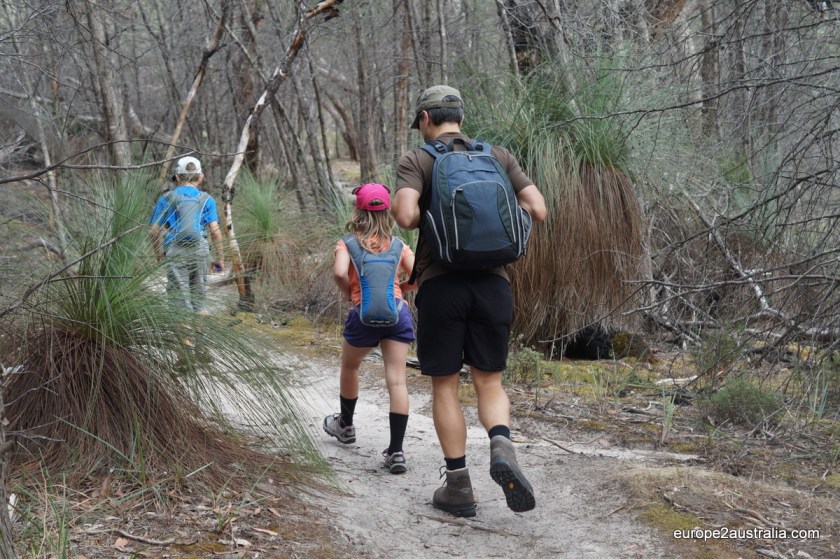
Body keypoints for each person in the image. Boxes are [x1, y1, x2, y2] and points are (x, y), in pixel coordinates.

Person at [392, 85, 547, 516]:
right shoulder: (497, 156)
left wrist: (432, 216)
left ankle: (458, 486)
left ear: (425, 118)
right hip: (493, 285)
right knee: (489, 381)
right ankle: (501, 444)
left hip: (442, 286)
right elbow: (538, 208)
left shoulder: (418, 159)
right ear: (461, 116)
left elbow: (405, 215)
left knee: (445, 385)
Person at [323, 183, 417, 474]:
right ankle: (396, 451)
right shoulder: (398, 245)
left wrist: (349, 294)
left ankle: (346, 425)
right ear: (387, 212)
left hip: (363, 316)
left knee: (350, 367)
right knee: (397, 381)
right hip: (397, 314)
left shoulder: (348, 244)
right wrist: (404, 288)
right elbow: (419, 273)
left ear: (357, 212)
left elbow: (339, 272)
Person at [150, 156, 225, 315]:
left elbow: (154, 231)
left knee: (179, 304)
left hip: (175, 250)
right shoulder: (207, 199)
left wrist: (158, 254)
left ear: (177, 177)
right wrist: (220, 258)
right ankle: (201, 328)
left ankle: (185, 332)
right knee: (199, 301)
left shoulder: (166, 198)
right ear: (200, 177)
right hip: (200, 250)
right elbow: (215, 232)